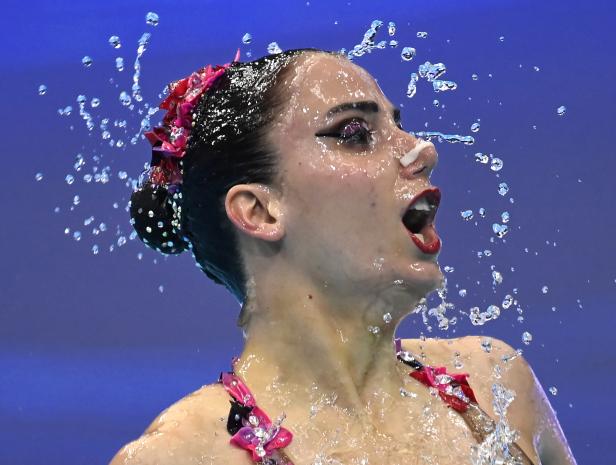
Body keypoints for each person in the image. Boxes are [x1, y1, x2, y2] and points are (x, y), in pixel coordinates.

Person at [110, 48, 577, 465]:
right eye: (354, 133)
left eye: (398, 123)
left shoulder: (495, 383)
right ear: (258, 210)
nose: (422, 149)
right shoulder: (186, 455)